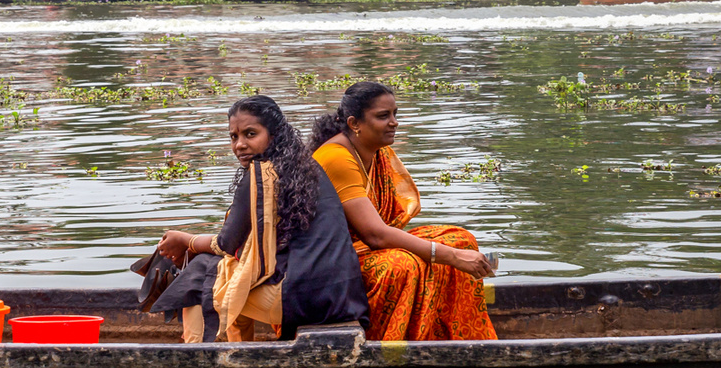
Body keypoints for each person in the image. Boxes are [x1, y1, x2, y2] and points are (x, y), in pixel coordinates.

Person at [152, 96, 368, 343]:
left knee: (200, 271)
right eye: (234, 137)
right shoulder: (307, 167)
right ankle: (240, 351)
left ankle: (196, 355)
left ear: (274, 135)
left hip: (305, 298)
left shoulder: (261, 174)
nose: (240, 145)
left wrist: (185, 240)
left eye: (250, 134)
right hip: (342, 296)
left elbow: (226, 244)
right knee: (228, 274)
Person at [309, 81, 496, 342]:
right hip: (336, 264)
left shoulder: (376, 152)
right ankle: (391, 344)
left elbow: (385, 232)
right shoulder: (336, 157)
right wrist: (450, 256)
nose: (394, 122)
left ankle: (450, 340)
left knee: (460, 238)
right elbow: (374, 235)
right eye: (383, 116)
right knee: (402, 266)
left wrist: (452, 251)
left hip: (367, 249)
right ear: (354, 124)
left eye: (395, 114)